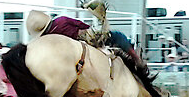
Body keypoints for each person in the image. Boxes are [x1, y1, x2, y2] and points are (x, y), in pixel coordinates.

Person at [26, 10, 156, 82]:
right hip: (86, 40)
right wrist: (90, 31)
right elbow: (80, 25)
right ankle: (136, 59)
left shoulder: (47, 38)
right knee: (117, 36)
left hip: (69, 54)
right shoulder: (62, 20)